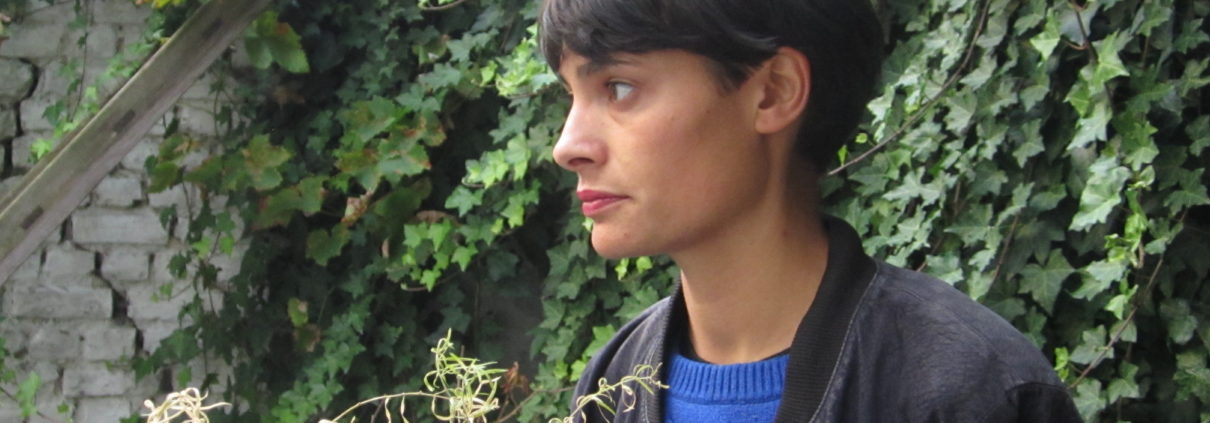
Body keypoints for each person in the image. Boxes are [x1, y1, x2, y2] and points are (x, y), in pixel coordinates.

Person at [539, 0, 1082, 421]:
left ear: (774, 92)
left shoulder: (967, 391)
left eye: (619, 87)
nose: (568, 146)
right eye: (571, 96)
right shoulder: (613, 386)